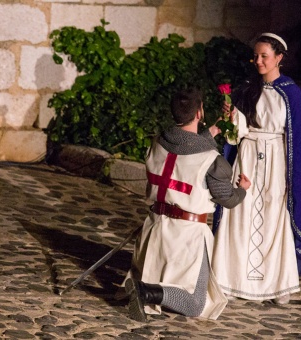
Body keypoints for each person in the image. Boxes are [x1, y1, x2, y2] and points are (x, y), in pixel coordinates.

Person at [120, 87, 251, 322]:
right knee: (195, 303)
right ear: (200, 112)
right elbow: (228, 199)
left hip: (154, 229)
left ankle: (145, 286)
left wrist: (216, 127)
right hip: (187, 237)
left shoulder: (158, 143)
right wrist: (242, 189)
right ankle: (146, 292)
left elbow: (184, 149)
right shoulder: (212, 161)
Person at [212, 32, 301, 304]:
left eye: (264, 56)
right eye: (256, 56)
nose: (259, 61)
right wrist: (231, 118)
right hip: (248, 157)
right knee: (240, 215)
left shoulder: (292, 93)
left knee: (274, 217)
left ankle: (276, 284)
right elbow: (235, 135)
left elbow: (296, 135)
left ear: (279, 58)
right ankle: (230, 279)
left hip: (276, 162)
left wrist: (291, 175)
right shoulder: (247, 88)